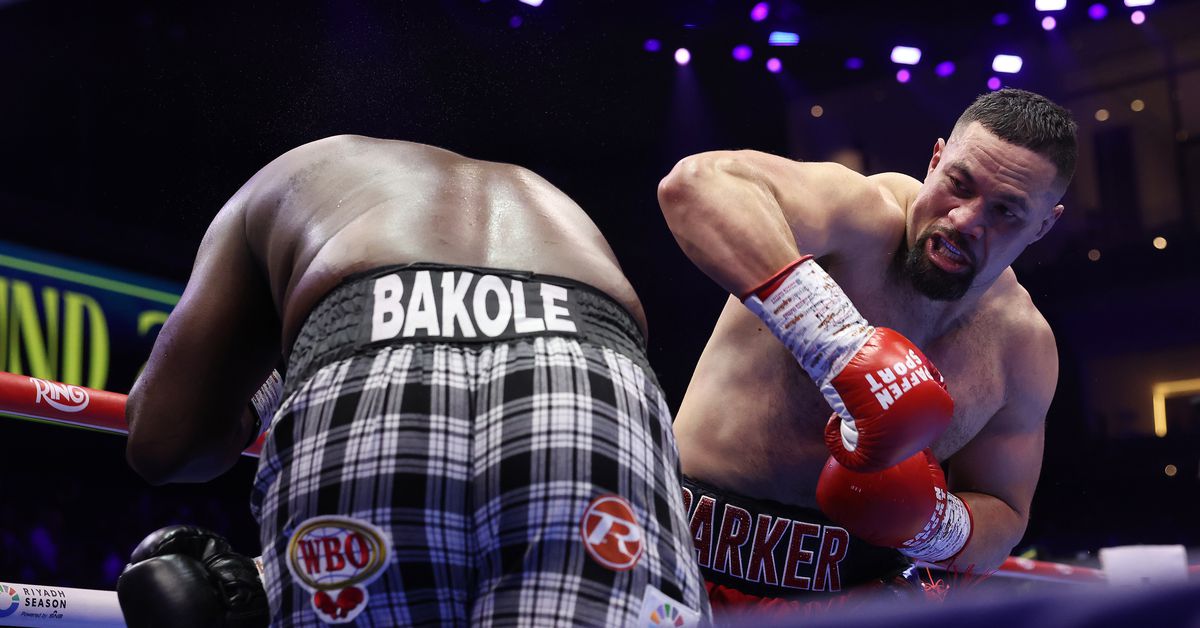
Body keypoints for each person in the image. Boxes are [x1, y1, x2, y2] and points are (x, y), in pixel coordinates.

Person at [121, 135, 710, 626]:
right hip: (587, 374)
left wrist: (270, 380)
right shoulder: (544, 199)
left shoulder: (286, 178)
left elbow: (162, 442)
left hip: (370, 346)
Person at [656, 88, 1077, 613]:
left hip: (852, 599)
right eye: (958, 184)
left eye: (1006, 211)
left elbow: (1005, 513)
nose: (967, 220)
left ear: (1044, 224)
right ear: (935, 159)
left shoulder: (1021, 347)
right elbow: (695, 185)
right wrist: (838, 344)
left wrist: (933, 526)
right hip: (683, 564)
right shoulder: (856, 216)